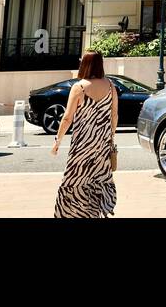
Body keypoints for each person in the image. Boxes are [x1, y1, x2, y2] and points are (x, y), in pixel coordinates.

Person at [52, 51, 118, 218]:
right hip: (102, 143)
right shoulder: (110, 86)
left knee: (75, 180)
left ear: (85, 64)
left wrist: (57, 141)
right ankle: (94, 214)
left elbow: (67, 118)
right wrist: (111, 137)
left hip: (82, 144)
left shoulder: (79, 87)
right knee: (98, 179)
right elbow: (114, 115)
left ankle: (74, 214)